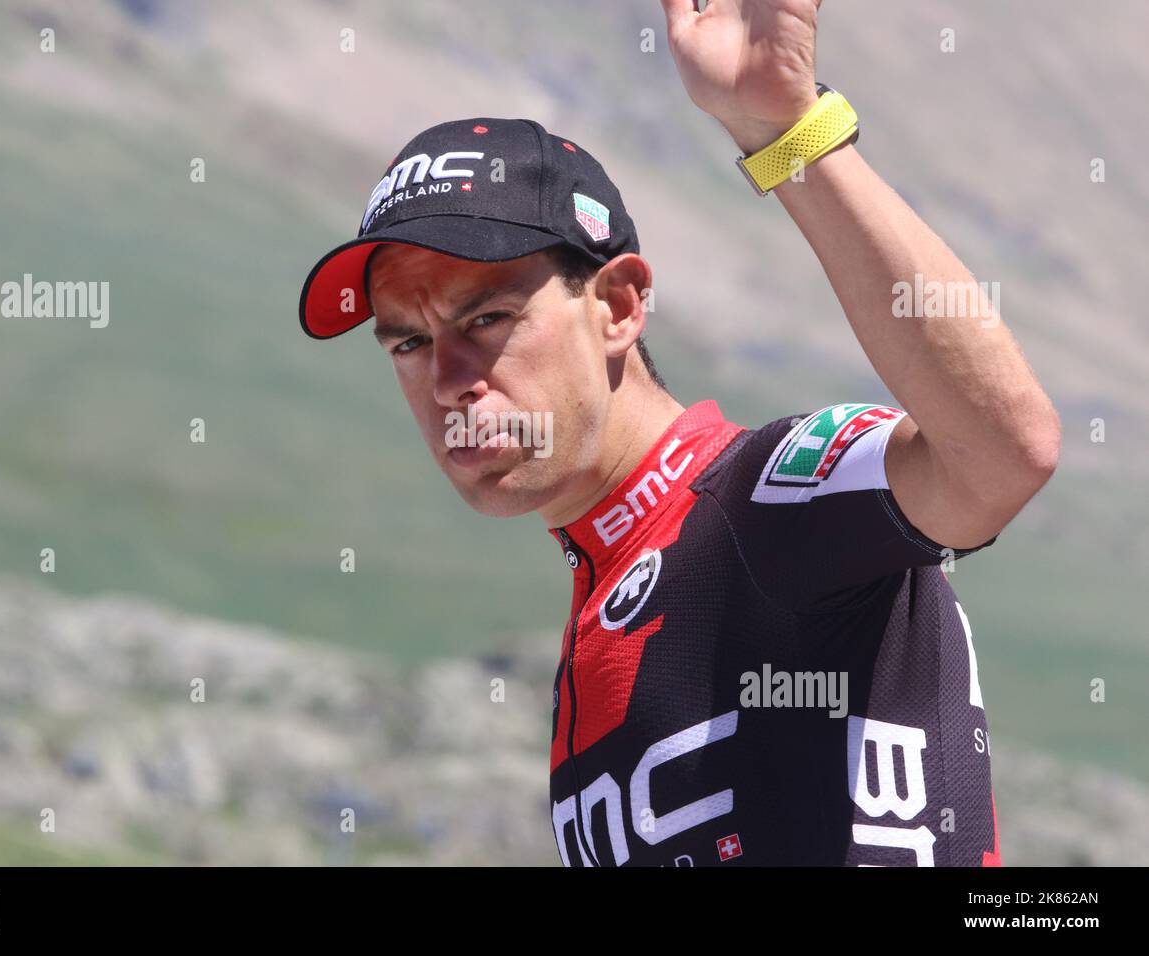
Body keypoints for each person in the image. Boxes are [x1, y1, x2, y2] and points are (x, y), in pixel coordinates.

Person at [297, 0, 1059, 865]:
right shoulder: (596, 616)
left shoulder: (770, 496)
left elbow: (1002, 452)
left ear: (619, 306)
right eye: (407, 340)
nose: (447, 382)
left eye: (488, 318)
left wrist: (790, 130)